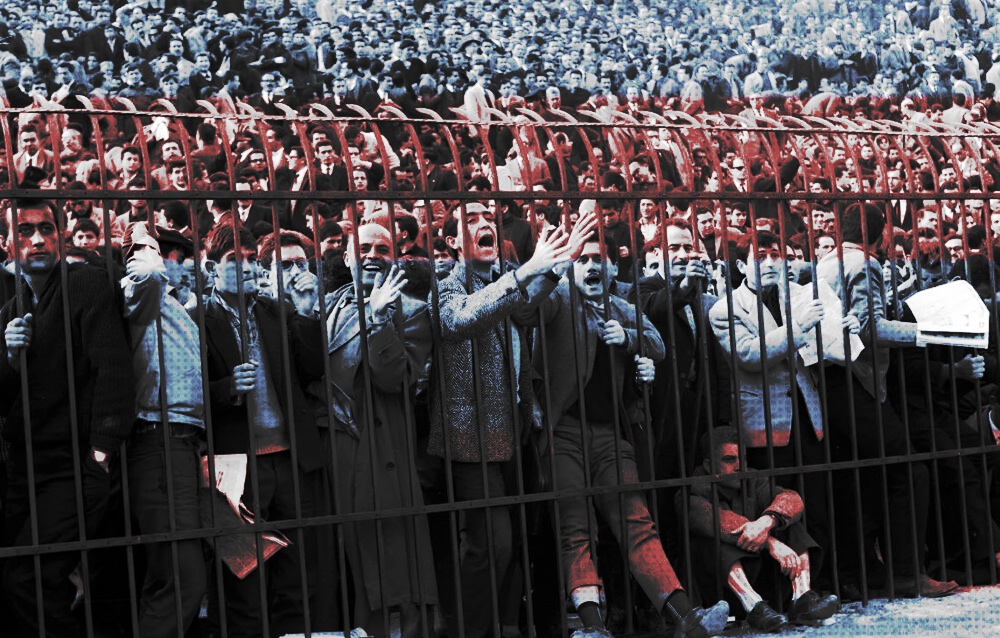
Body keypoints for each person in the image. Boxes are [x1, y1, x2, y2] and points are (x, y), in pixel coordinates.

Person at [527, 220, 729, 638]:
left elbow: (657, 344)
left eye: (597, 259)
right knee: (575, 528)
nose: (590, 267)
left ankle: (686, 617)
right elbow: (527, 308)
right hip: (562, 434)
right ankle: (592, 627)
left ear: (613, 267)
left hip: (610, 436)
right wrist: (551, 268)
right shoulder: (557, 298)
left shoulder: (620, 307)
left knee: (638, 524)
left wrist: (629, 338)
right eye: (581, 260)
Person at [428, 201, 575, 638]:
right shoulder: (446, 288)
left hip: (515, 430)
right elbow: (462, 318)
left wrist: (554, 268)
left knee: (520, 539)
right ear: (452, 241)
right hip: (470, 437)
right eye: (471, 219)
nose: (484, 223)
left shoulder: (501, 281)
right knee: (491, 544)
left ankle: (504, 625)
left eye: (488, 218)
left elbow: (523, 308)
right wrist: (526, 272)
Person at [0, 198, 135, 638]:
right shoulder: (11, 312)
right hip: (26, 469)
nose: (37, 239)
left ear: (60, 236)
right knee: (25, 581)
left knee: (31, 579)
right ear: (7, 244)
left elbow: (113, 370)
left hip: (74, 466)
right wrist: (10, 356)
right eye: (25, 231)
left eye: (46, 229)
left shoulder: (84, 283)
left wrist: (100, 454)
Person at [815, 203, 957, 598]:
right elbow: (871, 328)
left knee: (863, 475)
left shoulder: (826, 261)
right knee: (910, 470)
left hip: (832, 382)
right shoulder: (866, 264)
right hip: (858, 381)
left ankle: (864, 572)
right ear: (879, 234)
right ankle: (907, 573)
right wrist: (925, 331)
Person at [200, 222, 328, 638]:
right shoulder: (197, 317)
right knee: (245, 581)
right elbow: (184, 392)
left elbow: (313, 370)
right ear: (211, 268)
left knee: (296, 575)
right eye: (234, 260)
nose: (248, 268)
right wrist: (224, 388)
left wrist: (306, 309)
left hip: (290, 461)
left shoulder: (277, 312)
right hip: (238, 469)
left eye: (252, 260)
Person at [326, 223, 437, 636]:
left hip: (379, 442)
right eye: (364, 248)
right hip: (331, 442)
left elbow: (396, 379)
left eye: (383, 248)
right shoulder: (328, 304)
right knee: (340, 553)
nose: (373, 255)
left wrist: (376, 319)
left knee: (387, 554)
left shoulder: (413, 310)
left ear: (396, 257)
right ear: (347, 257)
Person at [120, 221, 207, 638]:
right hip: (159, 439)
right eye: (179, 258)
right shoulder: (143, 290)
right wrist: (141, 239)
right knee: (183, 578)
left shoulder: (176, 303)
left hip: (182, 443)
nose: (185, 266)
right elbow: (149, 273)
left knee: (170, 577)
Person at [682, 427, 839, 632]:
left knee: (788, 523)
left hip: (762, 577)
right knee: (715, 541)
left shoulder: (752, 480)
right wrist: (770, 542)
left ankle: (802, 600)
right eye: (729, 460)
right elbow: (719, 522)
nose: (740, 466)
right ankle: (754, 608)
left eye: (743, 458)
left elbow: (792, 499)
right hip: (724, 594)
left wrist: (768, 521)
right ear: (709, 466)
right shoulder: (691, 491)